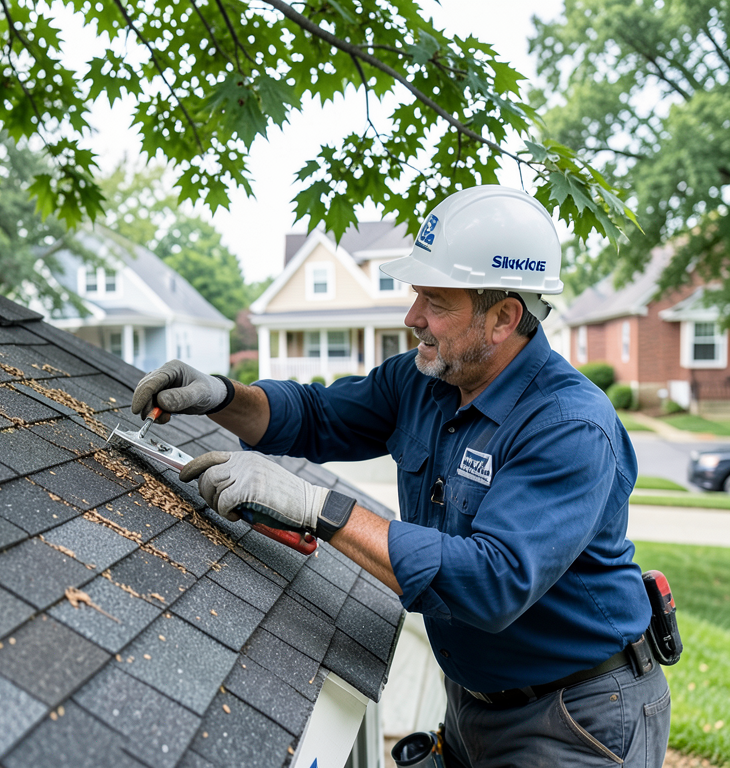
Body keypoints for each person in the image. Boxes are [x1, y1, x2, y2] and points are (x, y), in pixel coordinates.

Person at [131, 186, 671, 767]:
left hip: (577, 716)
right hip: (472, 701)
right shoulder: (425, 381)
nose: (413, 317)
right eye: (418, 295)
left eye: (435, 301)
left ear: (503, 318)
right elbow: (318, 416)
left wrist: (319, 509)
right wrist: (220, 395)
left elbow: (493, 582)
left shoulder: (569, 427)